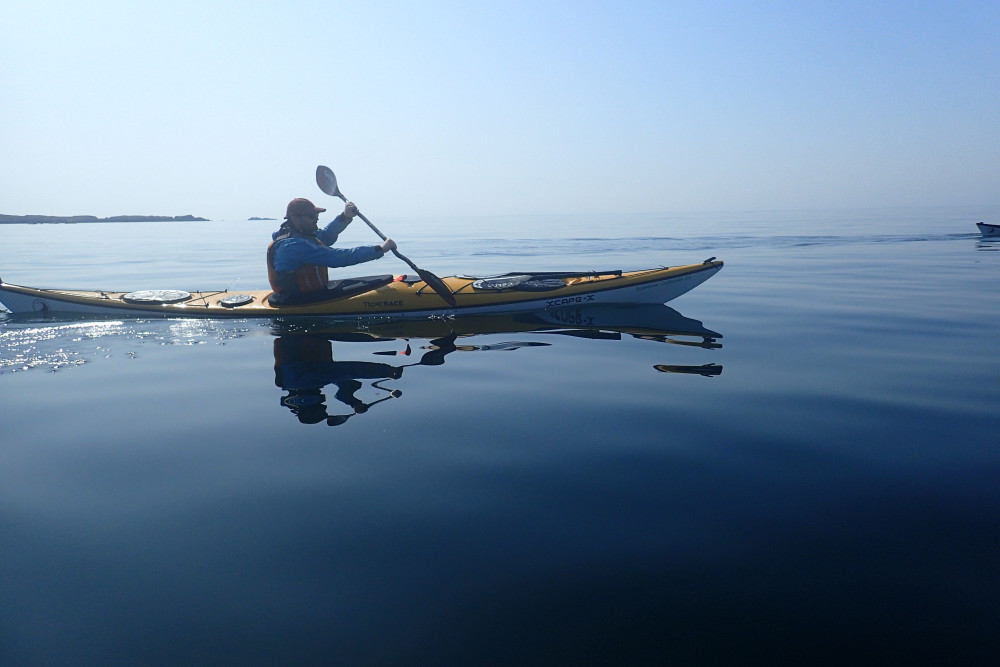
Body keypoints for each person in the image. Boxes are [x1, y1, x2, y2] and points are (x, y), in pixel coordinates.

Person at [266, 198, 397, 305]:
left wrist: (345, 217)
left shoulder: (300, 236)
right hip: (296, 300)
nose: (316, 219)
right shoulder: (293, 246)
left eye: (316, 215)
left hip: (308, 294)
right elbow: (337, 257)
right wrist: (379, 249)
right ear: (295, 219)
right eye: (312, 216)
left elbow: (326, 235)